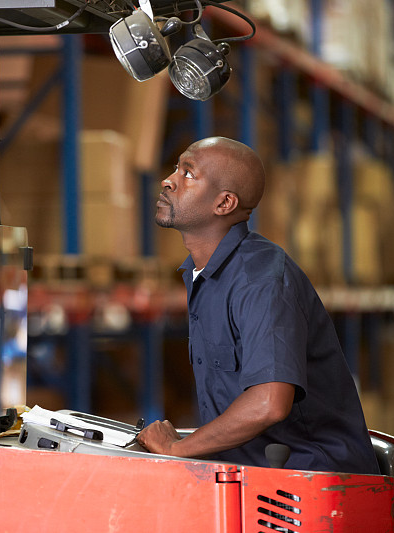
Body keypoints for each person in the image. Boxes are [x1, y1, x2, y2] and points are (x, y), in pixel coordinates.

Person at [136, 137, 380, 475]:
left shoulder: (260, 280)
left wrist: (179, 449)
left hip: (311, 481)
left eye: (188, 174)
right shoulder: (203, 276)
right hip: (251, 475)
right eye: (176, 168)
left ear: (224, 203)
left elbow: (269, 403)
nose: (169, 180)